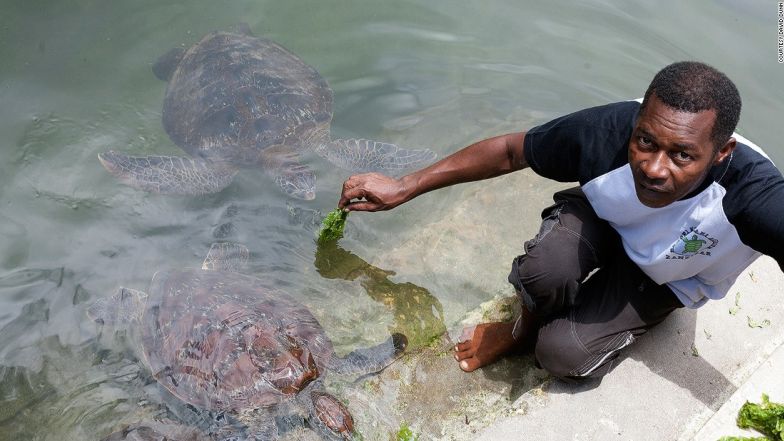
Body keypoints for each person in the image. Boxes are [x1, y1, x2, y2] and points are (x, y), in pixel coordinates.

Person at [337, 61, 784, 381]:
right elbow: (514, 151)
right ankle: (517, 329)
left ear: (722, 152)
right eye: (645, 141)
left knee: (561, 356)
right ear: (637, 121)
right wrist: (406, 185)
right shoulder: (608, 129)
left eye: (682, 154)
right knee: (545, 269)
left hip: (665, 275)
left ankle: (622, 313)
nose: (654, 167)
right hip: (606, 220)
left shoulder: (754, 194)